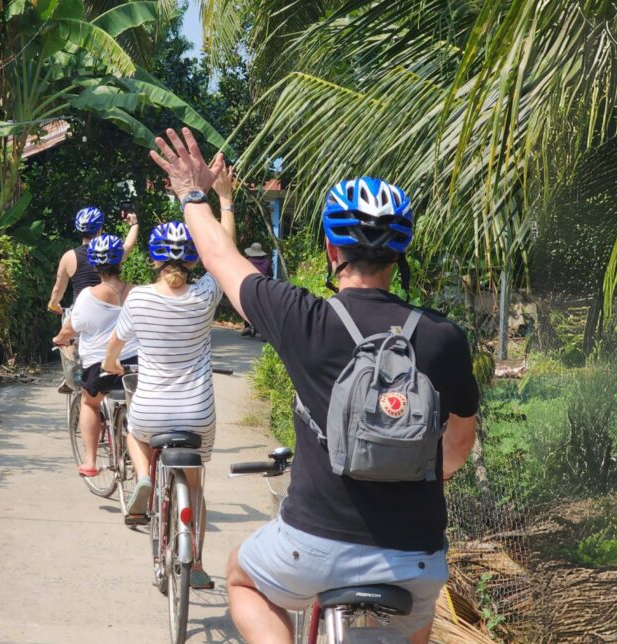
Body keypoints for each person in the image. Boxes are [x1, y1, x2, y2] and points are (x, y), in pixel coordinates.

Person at [148, 128, 480, 644]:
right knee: (417, 620)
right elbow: (457, 447)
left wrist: (194, 194)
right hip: (416, 556)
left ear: (330, 248)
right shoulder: (445, 338)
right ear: (400, 255)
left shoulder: (303, 317)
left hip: (313, 546)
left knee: (243, 577)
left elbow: (219, 258)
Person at [102, 195, 234, 590]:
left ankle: (143, 478)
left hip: (151, 409)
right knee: (195, 488)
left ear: (155, 260)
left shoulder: (139, 296)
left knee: (133, 432)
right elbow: (224, 253)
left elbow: (114, 347)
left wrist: (112, 365)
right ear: (193, 260)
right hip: (197, 411)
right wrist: (225, 202)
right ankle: (195, 566)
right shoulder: (205, 295)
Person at [52, 234, 139, 477]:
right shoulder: (138, 293)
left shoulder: (87, 296)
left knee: (90, 402)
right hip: (137, 366)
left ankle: (90, 461)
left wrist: (59, 339)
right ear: (120, 263)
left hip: (101, 368)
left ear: (94, 265)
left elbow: (70, 328)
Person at [47, 205, 139, 315]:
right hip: (108, 313)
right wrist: (134, 224)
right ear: (100, 228)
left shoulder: (69, 257)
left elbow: (58, 289)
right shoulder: (110, 253)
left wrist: (53, 304)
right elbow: (128, 244)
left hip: (80, 315)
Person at [241, 242, 270, 337]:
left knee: (245, 306)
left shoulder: (247, 261)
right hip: (263, 288)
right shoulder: (266, 262)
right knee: (263, 309)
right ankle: (263, 330)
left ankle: (248, 326)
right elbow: (270, 275)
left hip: (249, 286)